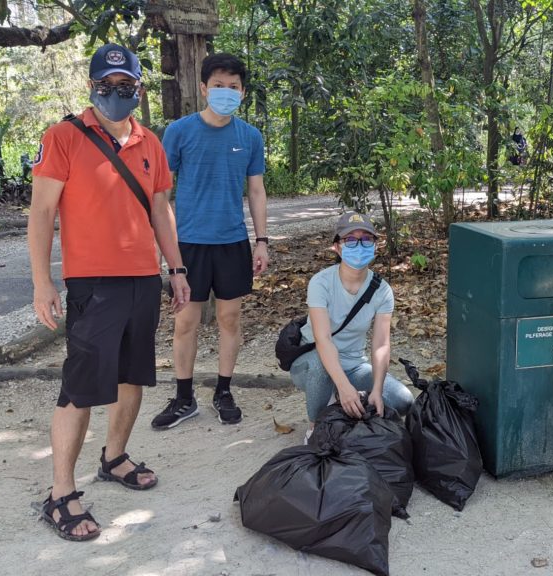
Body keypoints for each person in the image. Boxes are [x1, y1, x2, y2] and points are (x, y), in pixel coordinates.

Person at [28, 43, 191, 541]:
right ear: (91, 86)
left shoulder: (151, 142)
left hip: (143, 277)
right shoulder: (63, 137)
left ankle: (114, 456)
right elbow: (42, 214)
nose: (115, 94)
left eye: (125, 86)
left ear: (138, 89)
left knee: (132, 375)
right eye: (106, 85)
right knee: (79, 389)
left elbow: (160, 209)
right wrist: (42, 280)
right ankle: (60, 494)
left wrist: (176, 268)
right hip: (92, 283)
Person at [151, 53, 269, 429]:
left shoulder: (250, 136)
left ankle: (223, 391)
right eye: (218, 85)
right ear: (203, 88)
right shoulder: (179, 132)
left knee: (229, 318)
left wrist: (262, 241)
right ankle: (184, 397)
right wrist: (166, 249)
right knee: (185, 322)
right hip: (188, 244)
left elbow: (256, 190)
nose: (225, 92)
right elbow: (161, 195)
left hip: (232, 241)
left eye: (233, 87)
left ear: (243, 92)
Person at [290, 212, 414, 442]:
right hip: (311, 363)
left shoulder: (382, 290)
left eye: (366, 239)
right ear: (337, 247)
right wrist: (344, 387)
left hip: (354, 364)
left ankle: (341, 395)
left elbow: (381, 344)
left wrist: (377, 389)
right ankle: (315, 426)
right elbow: (323, 340)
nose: (359, 245)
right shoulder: (321, 283)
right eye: (350, 240)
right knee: (320, 364)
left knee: (402, 401)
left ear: (375, 246)